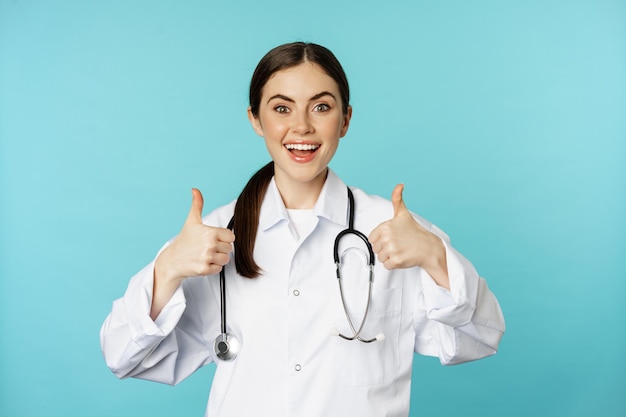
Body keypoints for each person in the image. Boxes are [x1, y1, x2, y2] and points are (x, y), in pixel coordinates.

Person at [100, 42, 505, 417]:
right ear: (255, 119)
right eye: (281, 108)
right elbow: (123, 356)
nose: (302, 127)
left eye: (321, 107)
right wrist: (167, 269)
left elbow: (481, 337)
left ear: (345, 120)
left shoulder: (396, 232)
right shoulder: (211, 238)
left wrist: (436, 258)